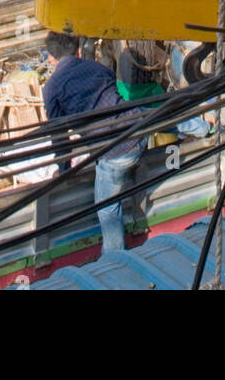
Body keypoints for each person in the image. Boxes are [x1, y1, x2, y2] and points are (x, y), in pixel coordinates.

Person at [41, 31, 146, 254]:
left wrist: (64, 170)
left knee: (107, 210)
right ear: (78, 50)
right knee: (159, 111)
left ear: (51, 58)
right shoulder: (97, 68)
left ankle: (115, 259)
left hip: (116, 154)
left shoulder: (51, 88)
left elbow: (60, 138)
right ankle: (204, 127)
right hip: (139, 131)